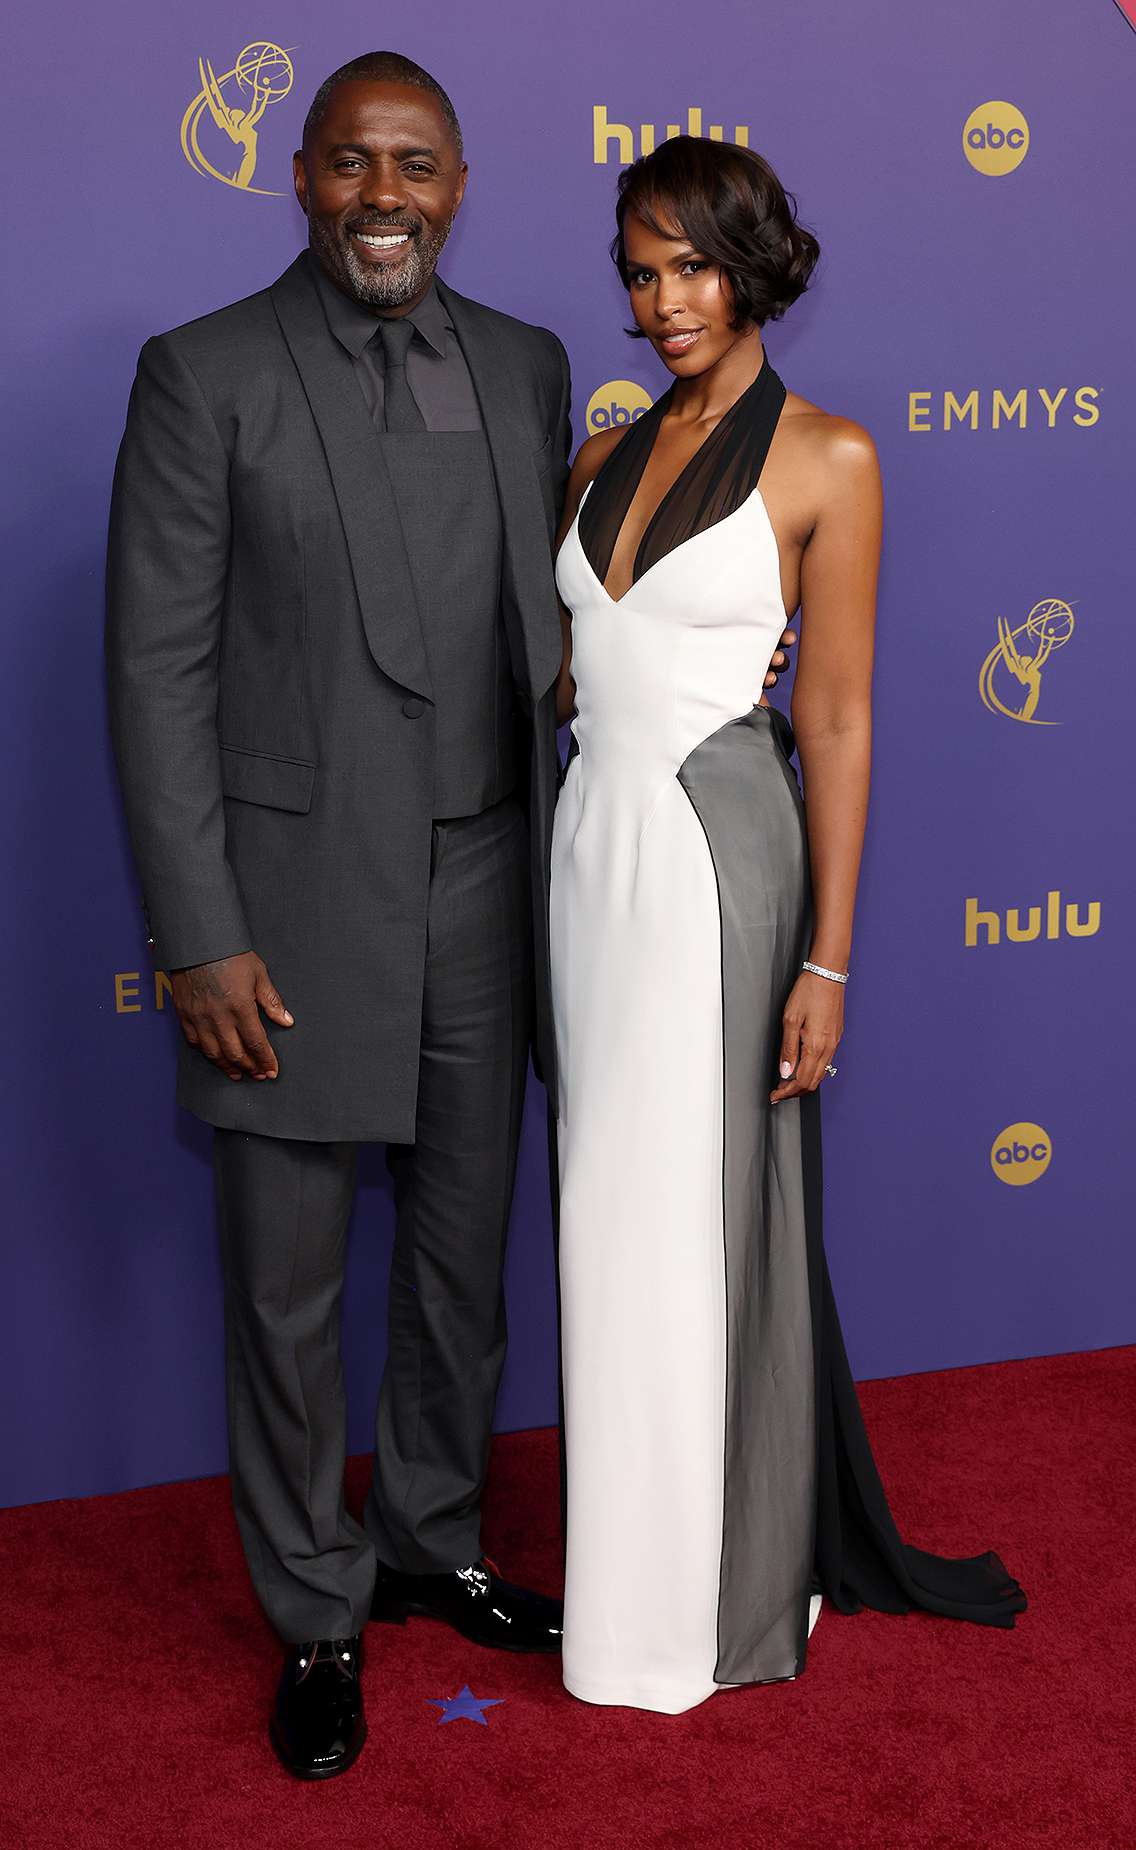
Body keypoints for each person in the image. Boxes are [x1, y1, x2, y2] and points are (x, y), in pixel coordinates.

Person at [106, 51, 800, 1776]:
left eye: (415, 163)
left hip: (497, 881)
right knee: (283, 1288)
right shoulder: (205, 374)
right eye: (352, 164)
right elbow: (155, 672)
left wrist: (711, 666)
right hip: (283, 904)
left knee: (461, 1253)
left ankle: (429, 1534)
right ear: (302, 179)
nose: (385, 195)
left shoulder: (530, 364)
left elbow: (566, 615)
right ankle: (316, 1608)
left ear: (464, 181)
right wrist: (197, 930)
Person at [549, 135, 1026, 1715]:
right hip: (591, 857)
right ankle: (625, 1569)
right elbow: (580, 672)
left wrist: (828, 952)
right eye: (639, 267)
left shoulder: (830, 457)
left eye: (691, 263)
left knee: (696, 1218)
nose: (663, 298)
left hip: (712, 861)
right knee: (608, 1217)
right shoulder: (598, 458)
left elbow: (834, 719)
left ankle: (711, 1599)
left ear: (754, 265)